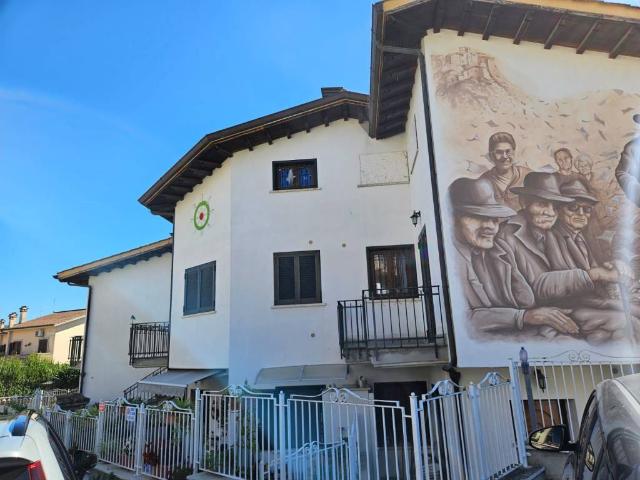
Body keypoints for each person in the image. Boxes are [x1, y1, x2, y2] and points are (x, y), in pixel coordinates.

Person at [449, 177, 579, 337]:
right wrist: (523, 317)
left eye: (494, 219)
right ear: (454, 219)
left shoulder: (498, 250)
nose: (490, 226)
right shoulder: (452, 260)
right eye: (478, 216)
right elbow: (461, 320)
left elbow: (526, 299)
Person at [479, 132, 531, 212]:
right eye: (499, 152)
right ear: (491, 156)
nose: (505, 156)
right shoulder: (483, 181)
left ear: (514, 153)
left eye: (508, 151)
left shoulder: (527, 175)